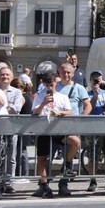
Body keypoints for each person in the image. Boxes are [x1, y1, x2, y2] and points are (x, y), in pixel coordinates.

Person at [31, 70, 74, 198]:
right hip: (44, 130)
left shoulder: (62, 97)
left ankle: (66, 166)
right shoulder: (39, 96)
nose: (50, 87)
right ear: (43, 84)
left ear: (56, 82)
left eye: (52, 83)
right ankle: (43, 185)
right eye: (47, 84)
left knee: (75, 142)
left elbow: (70, 111)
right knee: (42, 158)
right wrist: (43, 103)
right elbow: (35, 112)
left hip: (60, 130)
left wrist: (60, 112)